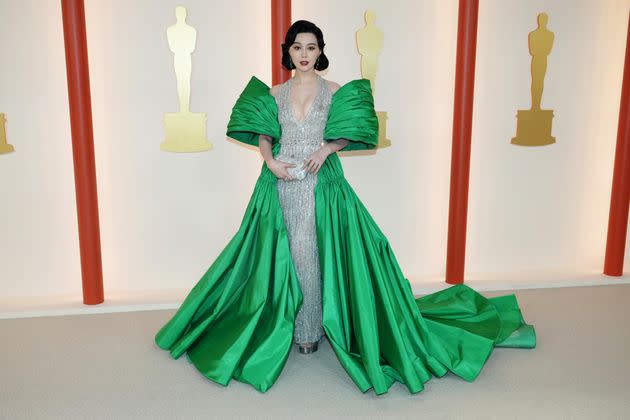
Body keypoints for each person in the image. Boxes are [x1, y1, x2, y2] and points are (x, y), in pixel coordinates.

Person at [155, 20, 536, 395]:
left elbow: (353, 132)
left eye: (312, 47)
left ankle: (315, 329)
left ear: (321, 52)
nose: (304, 54)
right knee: (285, 256)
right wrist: (270, 162)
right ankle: (296, 329)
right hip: (281, 184)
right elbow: (264, 135)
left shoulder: (335, 92)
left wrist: (326, 148)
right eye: (297, 47)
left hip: (325, 186)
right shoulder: (273, 94)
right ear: (288, 51)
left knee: (321, 254)